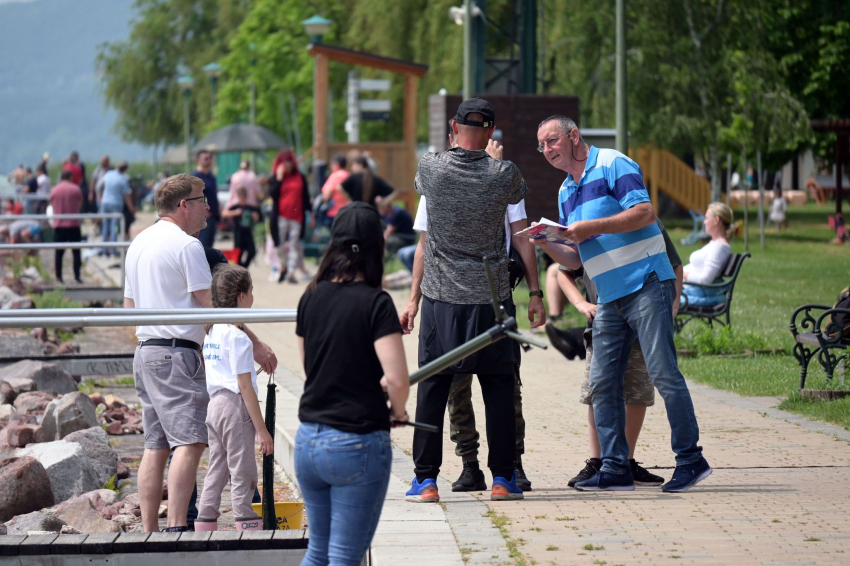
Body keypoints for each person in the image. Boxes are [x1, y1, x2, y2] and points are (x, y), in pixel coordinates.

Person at [533, 114, 710, 493]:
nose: (546, 150)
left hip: (647, 283)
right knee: (601, 381)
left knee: (663, 373)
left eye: (551, 141)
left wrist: (591, 228)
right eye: (541, 146)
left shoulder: (614, 163)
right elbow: (576, 259)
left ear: (573, 136)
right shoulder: (566, 191)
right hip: (609, 297)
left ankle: (691, 459)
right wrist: (547, 242)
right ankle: (615, 467)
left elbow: (645, 212)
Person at [124, 173, 276, 532]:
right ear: (183, 205)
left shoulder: (138, 243)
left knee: (154, 446)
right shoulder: (187, 246)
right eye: (202, 199)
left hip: (145, 351)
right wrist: (254, 343)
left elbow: (129, 307)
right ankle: (177, 529)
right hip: (177, 354)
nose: (209, 206)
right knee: (190, 443)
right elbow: (213, 308)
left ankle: (149, 531)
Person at [400, 98, 529, 503]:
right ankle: (504, 478)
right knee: (499, 389)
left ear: (453, 127)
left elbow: (424, 236)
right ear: (491, 132)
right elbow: (519, 223)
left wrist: (413, 299)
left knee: (433, 388)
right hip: (491, 297)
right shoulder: (504, 173)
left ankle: (426, 481)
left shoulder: (430, 168)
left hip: (441, 298)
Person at [295, 202, 409, 565]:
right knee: (345, 557)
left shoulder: (310, 296)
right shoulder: (377, 303)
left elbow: (310, 367)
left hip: (309, 439)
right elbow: (396, 378)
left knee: (318, 552)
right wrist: (398, 410)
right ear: (378, 247)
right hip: (356, 442)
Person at [557, 218, 683, 488]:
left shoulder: (647, 220)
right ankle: (597, 460)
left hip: (642, 319)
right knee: (597, 389)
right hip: (603, 319)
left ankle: (626, 459)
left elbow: (674, 263)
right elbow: (564, 271)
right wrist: (580, 303)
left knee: (637, 389)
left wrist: (673, 304)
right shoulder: (586, 219)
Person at [194, 265, 273, 533]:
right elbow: (245, 387)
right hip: (234, 407)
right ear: (241, 296)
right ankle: (246, 521)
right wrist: (262, 430)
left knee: (217, 466)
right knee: (243, 469)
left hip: (214, 406)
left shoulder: (212, 331)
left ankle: (205, 521)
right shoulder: (239, 338)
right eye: (250, 292)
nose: (252, 297)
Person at [681, 202, 735, 309]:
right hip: (690, 291)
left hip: (696, 294)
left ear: (716, 220)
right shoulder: (715, 244)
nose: (704, 222)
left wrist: (681, 273)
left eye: (706, 218)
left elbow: (704, 280)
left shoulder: (719, 247)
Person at [268, 149, 310, 284]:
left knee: (294, 244)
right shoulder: (275, 177)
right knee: (279, 244)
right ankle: (283, 266)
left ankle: (291, 272)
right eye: (284, 162)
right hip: (280, 216)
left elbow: (306, 197)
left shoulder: (300, 177)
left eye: (289, 161)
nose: (287, 164)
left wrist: (311, 213)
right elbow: (273, 195)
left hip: (296, 216)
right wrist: (279, 178)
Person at [50, 170, 83, 284]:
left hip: (59, 225)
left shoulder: (54, 189)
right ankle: (77, 276)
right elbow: (80, 203)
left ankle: (59, 277)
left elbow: (51, 203)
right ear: (69, 177)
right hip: (73, 224)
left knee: (59, 253)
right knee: (76, 252)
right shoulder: (76, 189)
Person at [99, 161, 135, 256]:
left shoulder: (108, 174)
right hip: (116, 204)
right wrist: (132, 208)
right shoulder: (123, 179)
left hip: (105, 202)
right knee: (114, 227)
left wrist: (100, 199)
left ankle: (104, 250)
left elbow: (99, 186)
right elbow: (126, 195)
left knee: (105, 227)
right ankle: (113, 250)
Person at [222, 186, 261, 268]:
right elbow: (224, 214)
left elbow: (258, 217)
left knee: (252, 251)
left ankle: (244, 267)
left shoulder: (250, 207)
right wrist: (235, 213)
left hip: (248, 232)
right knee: (238, 252)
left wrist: (254, 216)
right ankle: (239, 268)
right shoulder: (236, 207)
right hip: (238, 233)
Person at [193, 150, 220, 248]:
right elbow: (193, 197)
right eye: (206, 159)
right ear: (198, 161)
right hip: (203, 217)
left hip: (213, 216)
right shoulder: (195, 177)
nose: (209, 161)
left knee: (210, 245)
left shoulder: (211, 176)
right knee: (202, 245)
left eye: (210, 158)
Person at [317, 153, 351, 227]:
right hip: (347, 211)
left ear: (337, 164)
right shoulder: (348, 175)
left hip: (334, 212)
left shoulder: (335, 176)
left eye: (331, 164)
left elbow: (327, 196)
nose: (330, 166)